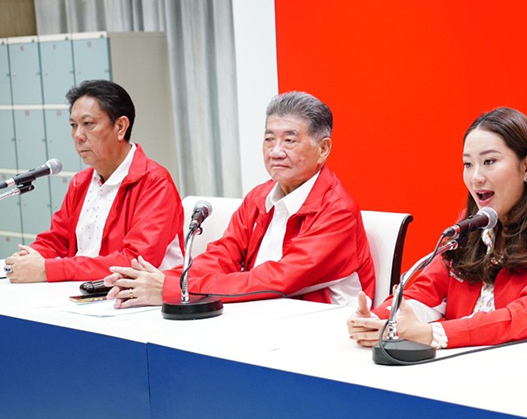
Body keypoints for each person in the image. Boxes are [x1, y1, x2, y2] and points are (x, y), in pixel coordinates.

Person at [347, 107, 527, 349]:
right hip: (473, 364)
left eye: (489, 161)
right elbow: (426, 292)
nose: (476, 177)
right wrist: (378, 320)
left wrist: (433, 334)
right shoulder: (470, 228)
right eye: (468, 164)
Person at [105, 91, 375, 307]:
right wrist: (163, 279)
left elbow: (279, 280)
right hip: (264, 311)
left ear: (323, 149)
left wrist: (177, 289)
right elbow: (224, 256)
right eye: (269, 139)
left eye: (289, 141)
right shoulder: (259, 196)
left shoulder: (337, 211)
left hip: (322, 326)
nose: (275, 151)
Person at [3, 80, 183, 283]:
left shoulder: (155, 182)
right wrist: (29, 258)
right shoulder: (81, 182)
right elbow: (56, 240)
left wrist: (48, 270)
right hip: (85, 290)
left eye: (88, 124)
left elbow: (135, 261)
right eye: (73, 125)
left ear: (120, 127)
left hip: (139, 296)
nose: (78, 136)